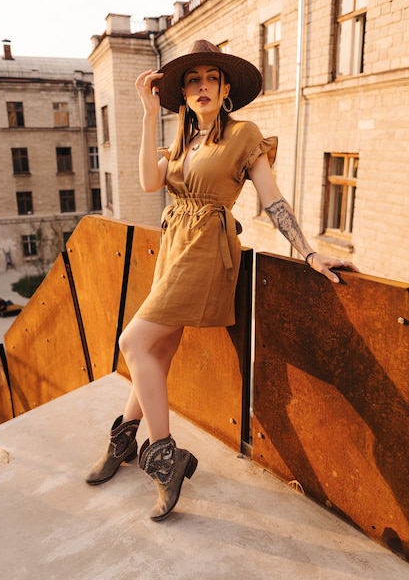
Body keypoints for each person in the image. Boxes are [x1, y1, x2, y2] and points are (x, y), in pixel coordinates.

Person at [86, 40, 359, 521]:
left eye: (211, 78)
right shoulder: (184, 140)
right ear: (184, 94)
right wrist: (150, 114)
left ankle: (164, 456)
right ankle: (124, 442)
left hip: (206, 250)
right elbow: (151, 183)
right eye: (193, 81)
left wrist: (310, 252)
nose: (202, 86)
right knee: (157, 351)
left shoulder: (243, 135)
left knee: (133, 341)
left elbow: (273, 199)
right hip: (174, 244)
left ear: (226, 87)